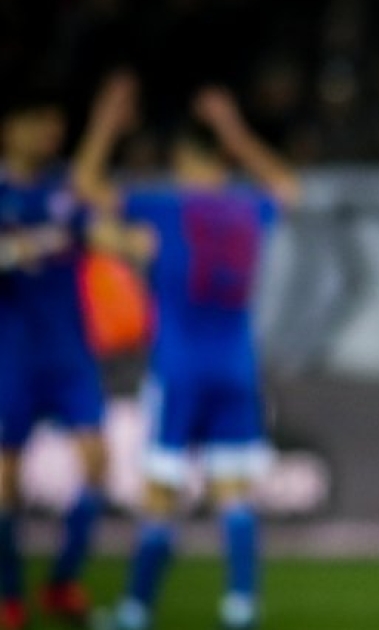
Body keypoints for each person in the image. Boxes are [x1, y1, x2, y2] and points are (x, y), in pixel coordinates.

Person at [71, 72, 301, 630]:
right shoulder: (247, 209)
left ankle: (134, 611)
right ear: (224, 159)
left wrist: (105, 121)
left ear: (181, 161)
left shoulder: (166, 208)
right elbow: (289, 188)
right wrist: (234, 129)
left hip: (179, 370)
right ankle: (241, 608)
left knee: (161, 495)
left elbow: (83, 186)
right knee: (234, 497)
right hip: (236, 369)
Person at [0, 88, 110, 630]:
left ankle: (63, 581)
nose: (49, 134)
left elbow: (97, 225)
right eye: (38, 123)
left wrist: (123, 238)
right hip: (12, 355)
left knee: (96, 464)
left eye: (55, 125)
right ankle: (9, 596)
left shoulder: (62, 191)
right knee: (5, 479)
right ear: (10, 129)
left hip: (70, 353)